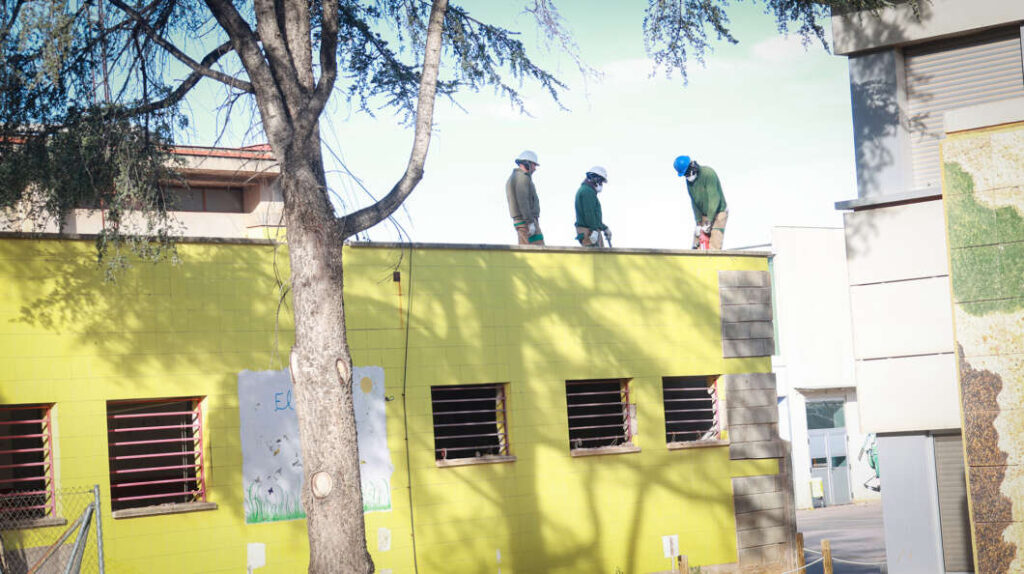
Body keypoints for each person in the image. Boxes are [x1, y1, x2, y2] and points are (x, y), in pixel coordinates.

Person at [674, 155, 728, 250]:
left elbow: (714, 199)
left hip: (719, 212)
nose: (687, 176)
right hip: (704, 214)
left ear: (692, 167)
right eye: (685, 175)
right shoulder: (689, 182)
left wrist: (709, 222)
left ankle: (713, 260)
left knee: (714, 243)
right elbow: (694, 202)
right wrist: (698, 223)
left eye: (687, 173)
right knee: (698, 242)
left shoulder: (708, 174)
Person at [506, 150, 544, 245]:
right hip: (526, 221)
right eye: (534, 165)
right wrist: (530, 222)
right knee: (539, 250)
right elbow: (523, 201)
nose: (535, 168)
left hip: (522, 221)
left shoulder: (514, 177)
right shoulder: (522, 178)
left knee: (525, 249)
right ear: (527, 163)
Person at [574, 166, 611, 248]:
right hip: (588, 232)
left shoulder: (587, 191)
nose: (601, 184)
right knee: (596, 258)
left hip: (590, 230)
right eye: (601, 181)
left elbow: (594, 217)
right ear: (595, 179)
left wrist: (604, 228)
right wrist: (594, 230)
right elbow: (589, 214)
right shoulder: (587, 192)